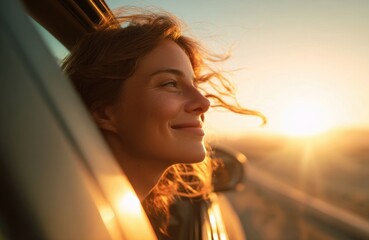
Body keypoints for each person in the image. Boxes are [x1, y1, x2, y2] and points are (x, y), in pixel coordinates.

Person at [62, 10, 265, 238]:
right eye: (170, 84)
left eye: (194, 84)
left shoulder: (101, 214)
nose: (203, 102)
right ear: (104, 113)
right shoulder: (75, 225)